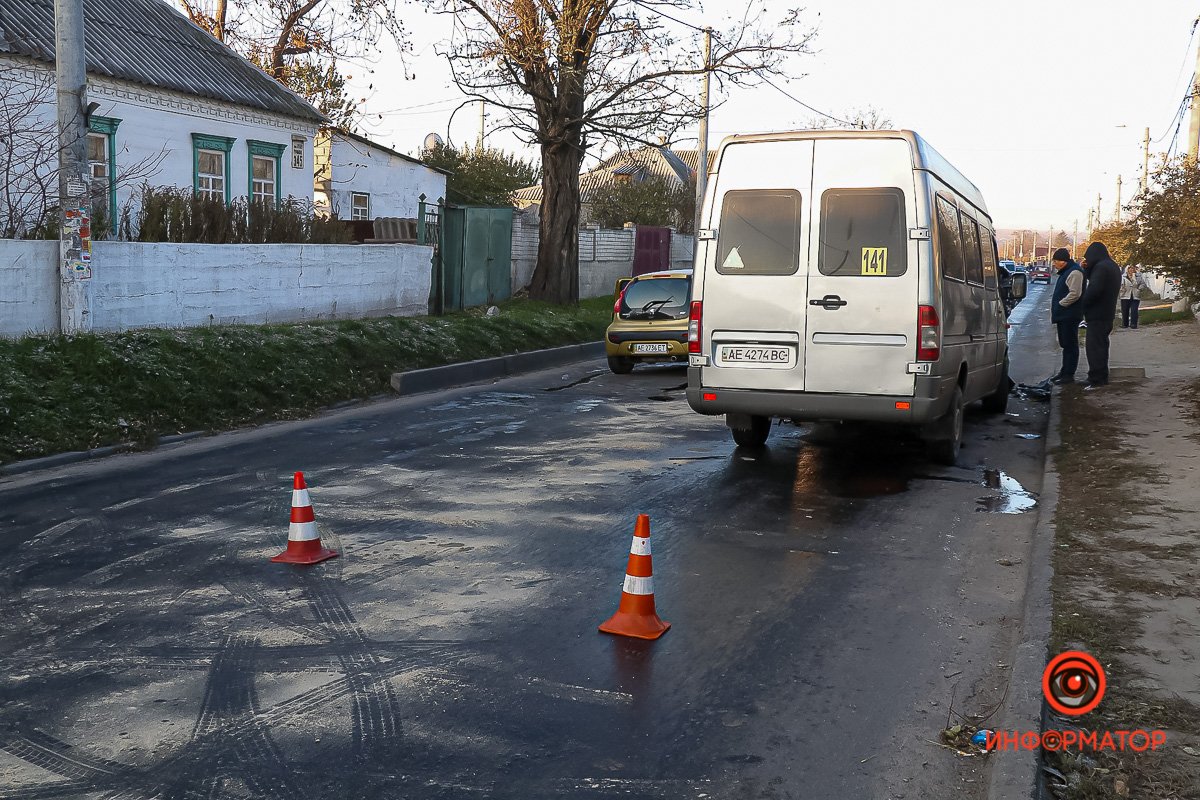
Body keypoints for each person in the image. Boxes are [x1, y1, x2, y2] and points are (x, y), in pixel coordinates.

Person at [1079, 241, 1122, 389]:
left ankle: (1096, 380)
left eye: (1088, 258)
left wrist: (1082, 305)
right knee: (1102, 346)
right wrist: (1087, 270)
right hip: (1107, 313)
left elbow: (1094, 290)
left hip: (1098, 314)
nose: (1087, 261)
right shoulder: (1111, 265)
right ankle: (1100, 377)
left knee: (1094, 348)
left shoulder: (1102, 268)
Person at [1049, 247, 1084, 384]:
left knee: (1070, 345)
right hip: (1064, 315)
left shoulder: (1074, 272)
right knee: (1065, 344)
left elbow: (1075, 293)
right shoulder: (1066, 271)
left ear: (1063, 261)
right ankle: (1064, 372)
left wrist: (1061, 304)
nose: (1054, 263)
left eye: (1055, 261)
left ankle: (1068, 375)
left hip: (1069, 315)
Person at [1118, 265, 1148, 329]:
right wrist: (1121, 288)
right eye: (1130, 268)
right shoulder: (1123, 277)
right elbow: (1119, 285)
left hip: (1135, 295)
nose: (1131, 270)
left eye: (1132, 268)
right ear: (1127, 269)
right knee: (1125, 310)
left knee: (1134, 310)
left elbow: (1143, 284)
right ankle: (1125, 324)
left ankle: (1133, 324)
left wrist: (1139, 289)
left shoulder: (1138, 276)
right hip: (1125, 295)